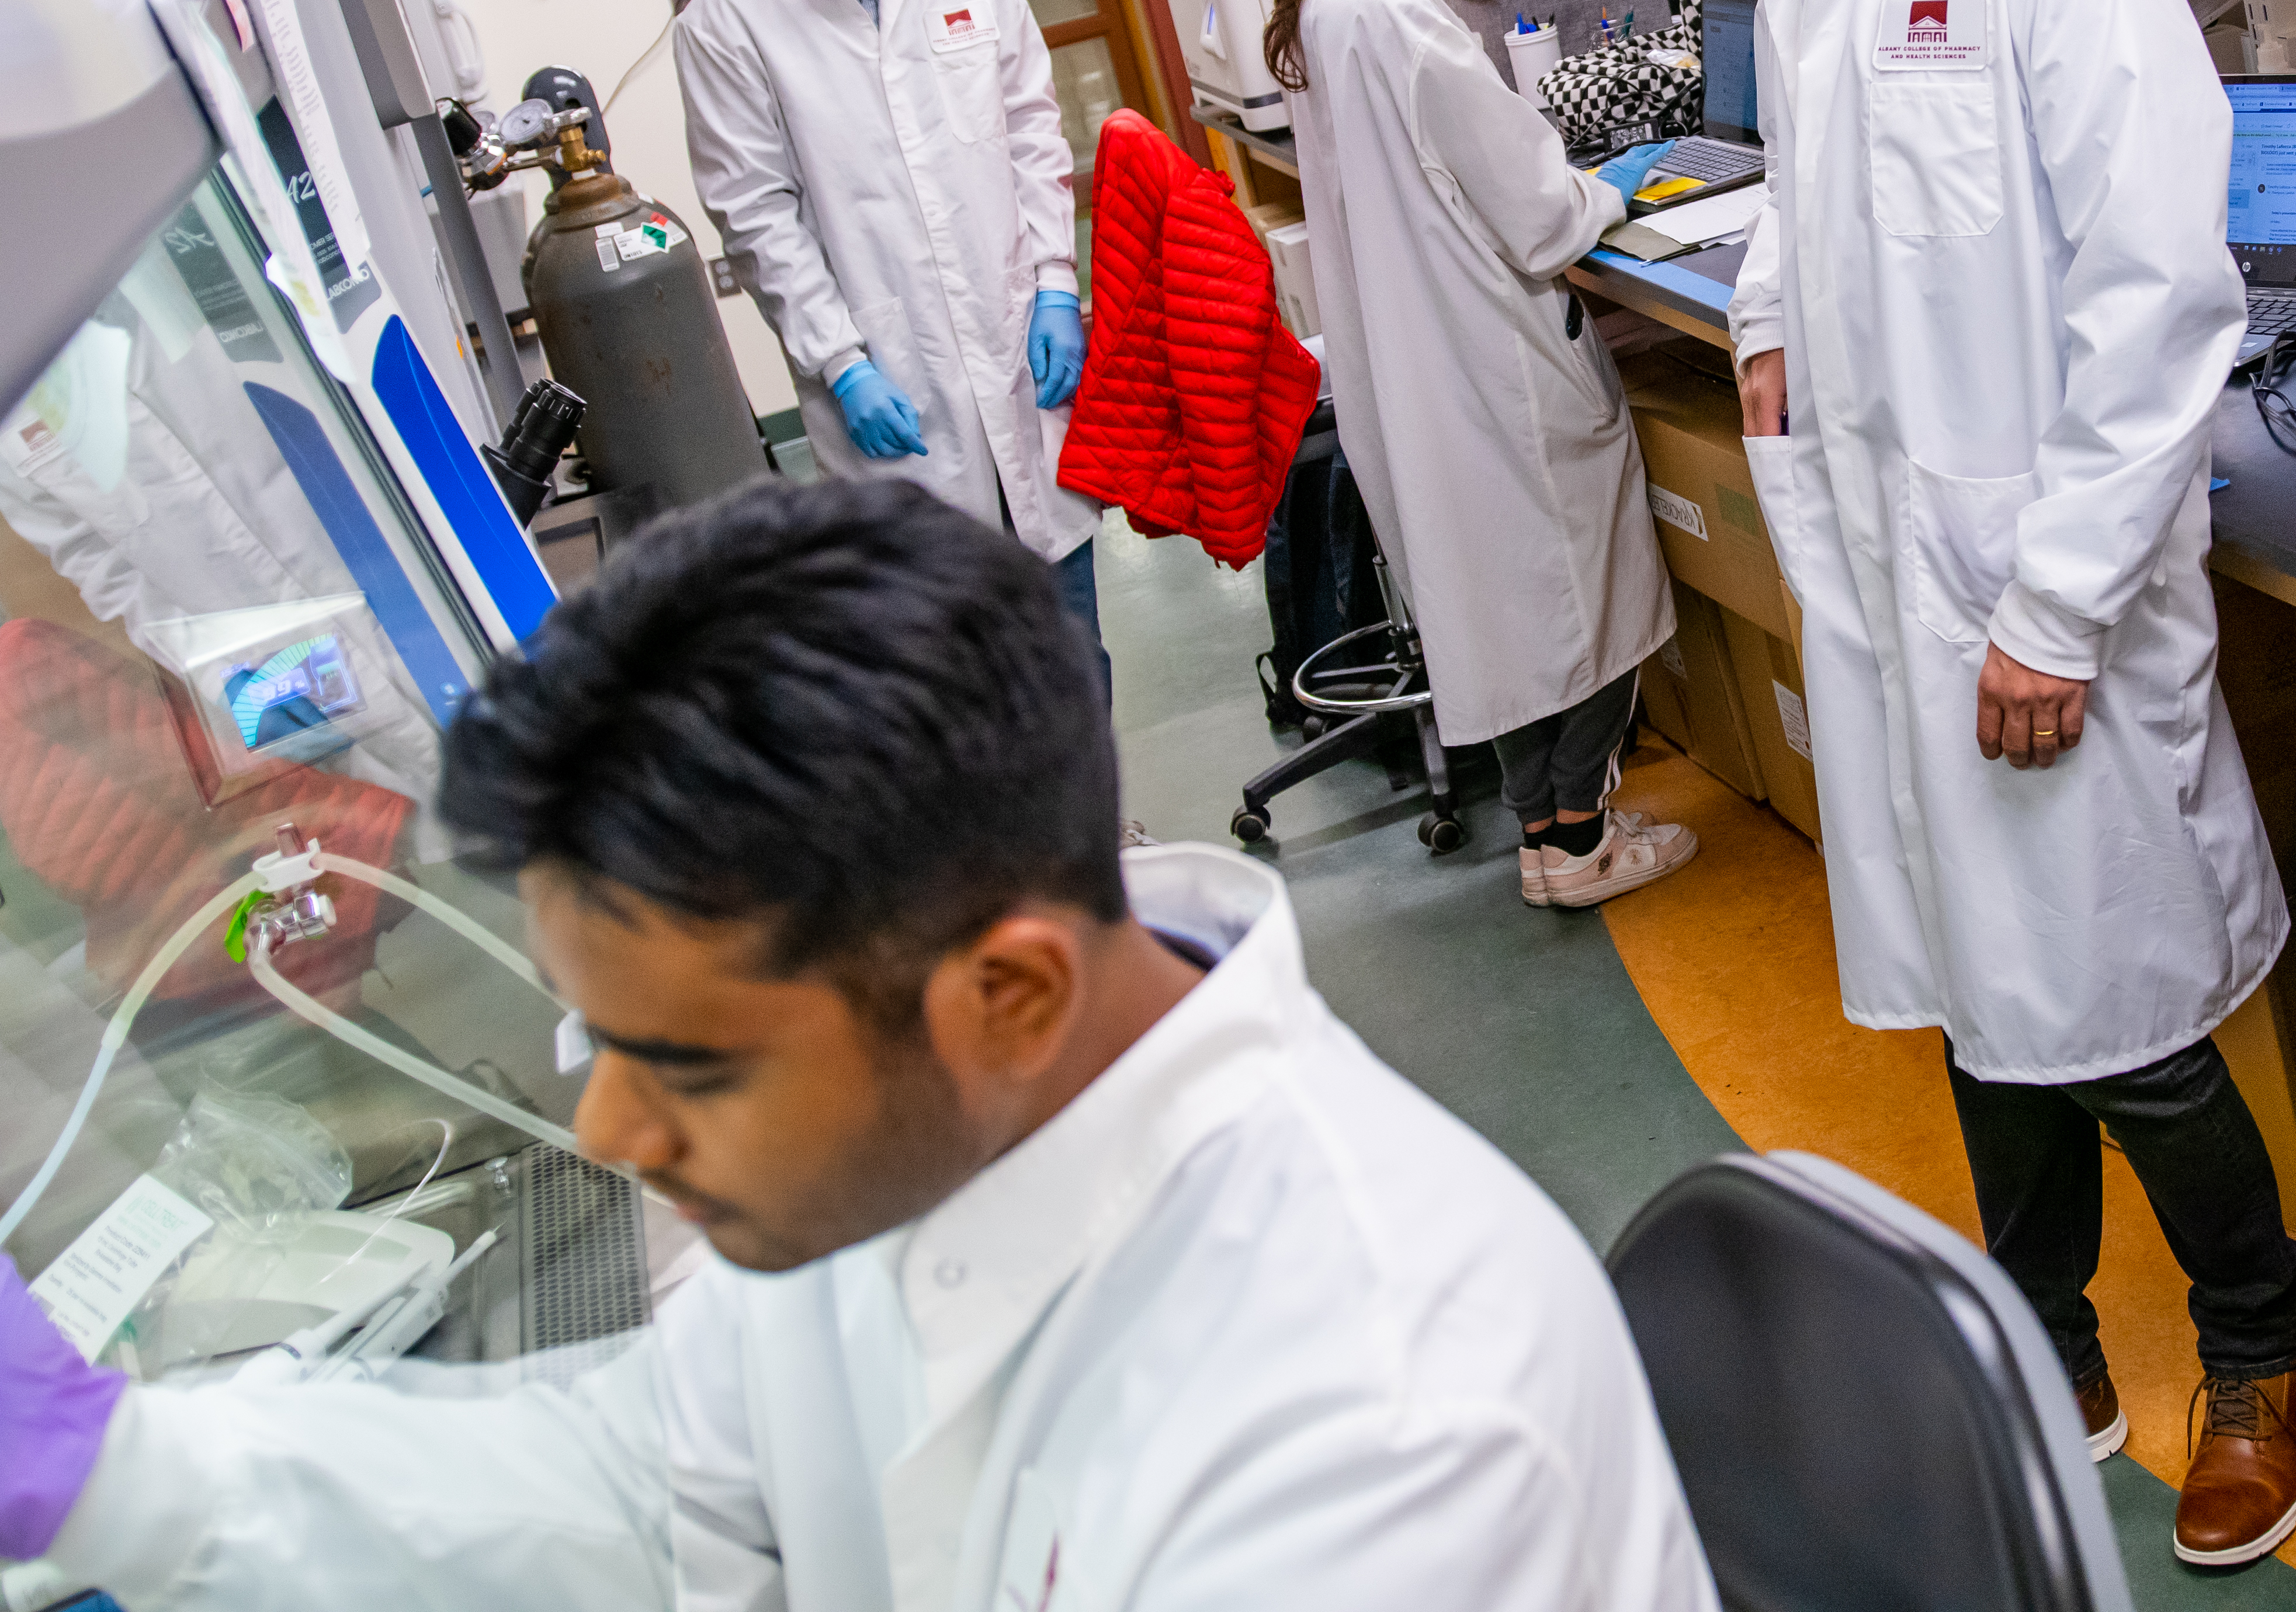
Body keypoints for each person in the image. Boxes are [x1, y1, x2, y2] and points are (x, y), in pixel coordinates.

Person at [3, 477, 1717, 1610]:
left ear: (1009, 994)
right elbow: (647, 1476)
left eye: (680, 1063)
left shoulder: (1378, 1435)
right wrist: (119, 1474)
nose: (605, 1128)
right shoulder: (921, 1140)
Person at [1674, 0, 2296, 1569]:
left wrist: (2054, 603)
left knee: (2116, 1012)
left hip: (2039, 582)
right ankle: (2044, 1346)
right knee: (1977, 995)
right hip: (1890, 570)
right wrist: (1772, 329)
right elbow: (1814, 188)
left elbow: (2157, 294)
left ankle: (2264, 1351)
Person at [1264, 0, 1697, 904]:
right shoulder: (1401, 17)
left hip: (1414, 364)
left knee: (1490, 618)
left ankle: (1547, 837)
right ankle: (1583, 839)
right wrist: (1613, 186)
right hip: (1488, 357)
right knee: (1583, 596)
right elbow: (1541, 215)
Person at [674, 0, 1107, 680]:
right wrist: (844, 363)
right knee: (942, 661)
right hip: (889, 376)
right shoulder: (728, 25)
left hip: (1019, 351)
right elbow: (756, 219)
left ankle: (1101, 827)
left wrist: (1058, 287)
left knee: (1070, 636)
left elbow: (1032, 129)